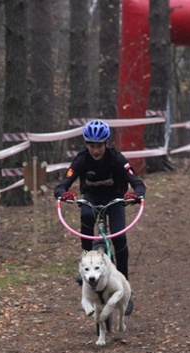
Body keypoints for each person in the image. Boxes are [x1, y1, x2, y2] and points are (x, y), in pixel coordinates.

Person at [54, 119, 147, 313]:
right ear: (86, 144)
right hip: (92, 198)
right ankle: (86, 263)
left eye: (99, 146)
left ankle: (125, 287)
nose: (95, 150)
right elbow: (63, 183)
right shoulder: (81, 159)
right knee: (86, 217)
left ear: (106, 144)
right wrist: (63, 193)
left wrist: (137, 194)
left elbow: (137, 182)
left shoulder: (117, 158)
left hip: (115, 199)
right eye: (91, 146)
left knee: (119, 236)